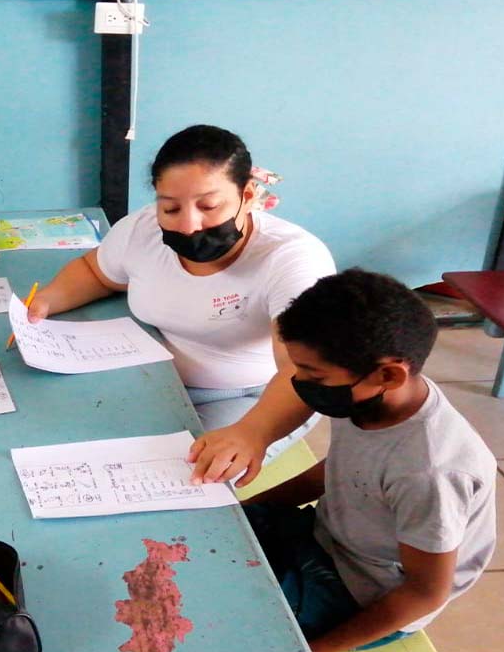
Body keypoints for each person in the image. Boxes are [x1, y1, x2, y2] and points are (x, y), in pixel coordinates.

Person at [26, 124, 334, 461]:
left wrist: (253, 434)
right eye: (171, 209)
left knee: (185, 473)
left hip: (253, 397)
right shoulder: (142, 230)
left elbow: (302, 370)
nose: (188, 225)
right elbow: (96, 273)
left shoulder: (292, 259)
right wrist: (45, 302)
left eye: (209, 206)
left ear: (247, 196)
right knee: (56, 434)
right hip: (158, 378)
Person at [239, 269, 497, 652]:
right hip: (328, 538)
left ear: (389, 375)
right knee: (206, 538)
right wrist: (244, 511)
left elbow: (424, 593)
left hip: (364, 593)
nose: (300, 384)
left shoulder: (429, 471)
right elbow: (342, 470)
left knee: (230, 623)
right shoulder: (368, 395)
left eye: (313, 375)